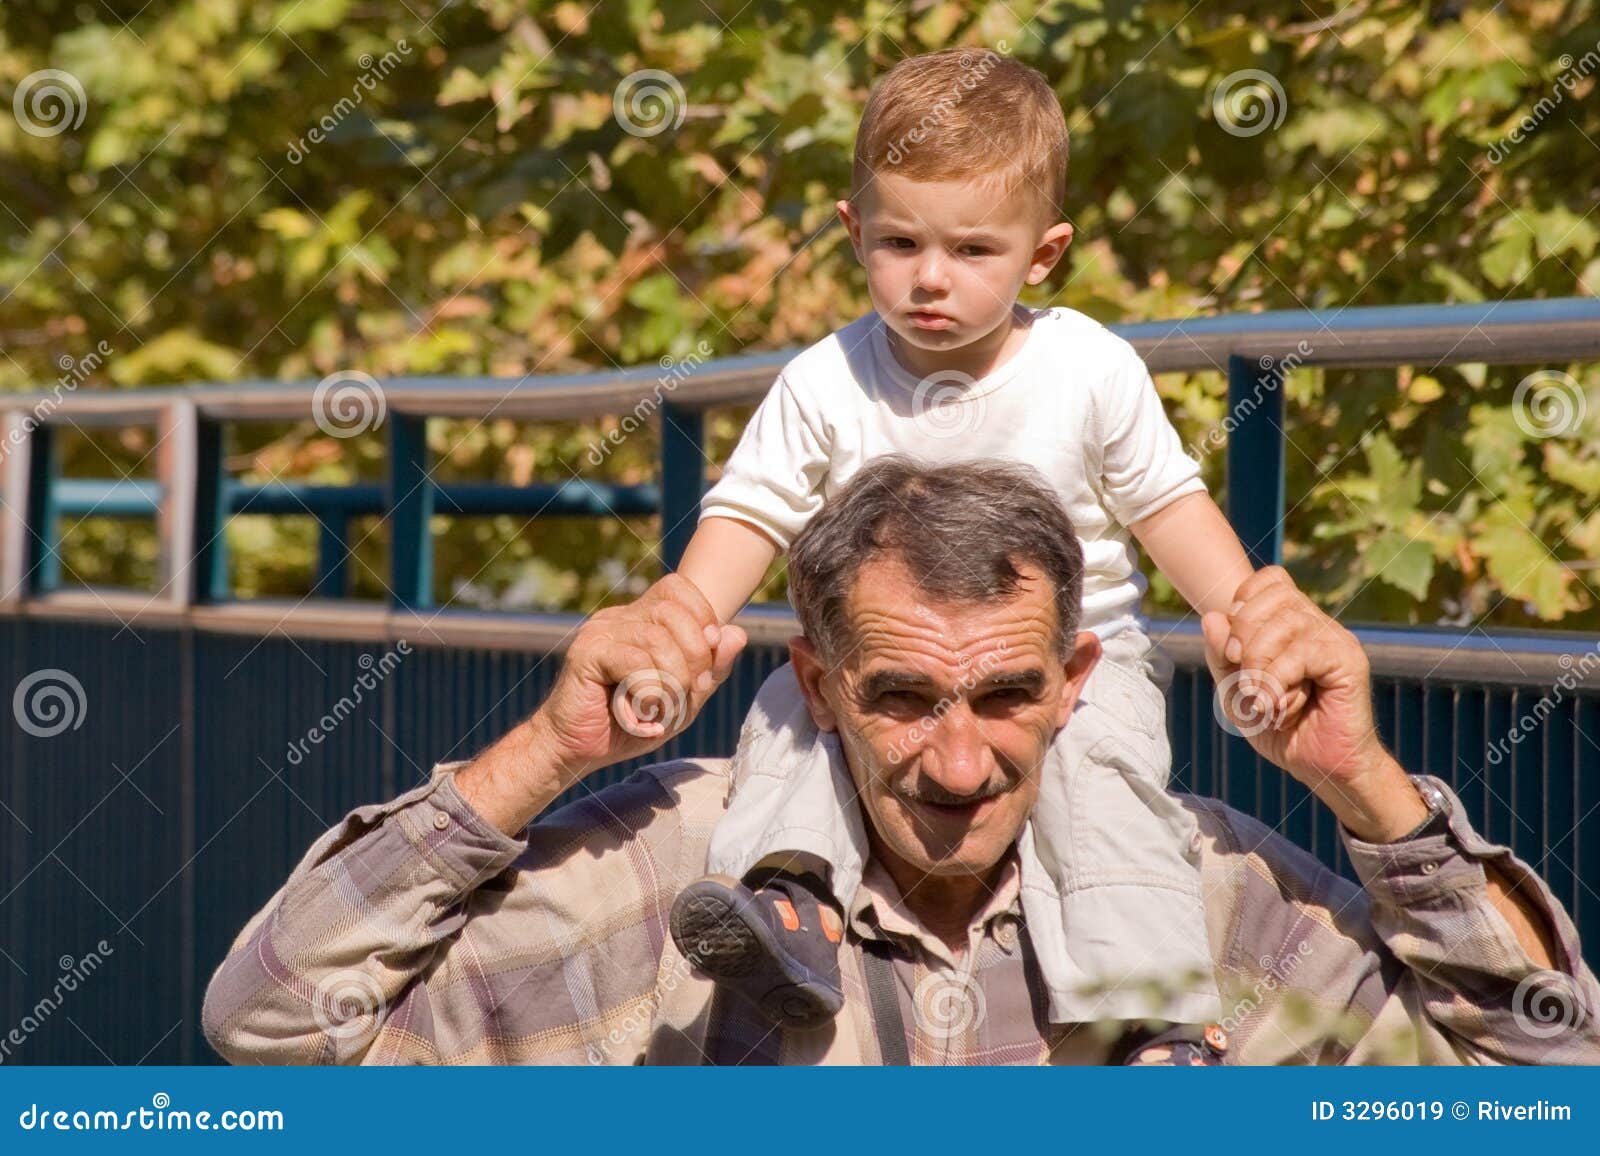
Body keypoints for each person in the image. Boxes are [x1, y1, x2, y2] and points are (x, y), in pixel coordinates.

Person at [202, 459, 1600, 1065]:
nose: (957, 760)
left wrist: (1367, 789)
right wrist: (552, 752)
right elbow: (272, 1030)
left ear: (1074, 684)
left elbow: (1555, 1085)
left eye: (1004, 695)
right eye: (901, 698)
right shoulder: (676, 871)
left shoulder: (1195, 887)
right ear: (814, 683)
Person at [659, 46, 1255, 1028]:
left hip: (1066, 666)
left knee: (1103, 791)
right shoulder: (825, 380)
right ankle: (786, 907)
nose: (930, 280)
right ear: (854, 232)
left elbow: (1168, 508)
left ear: (1042, 254)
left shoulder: (1086, 370)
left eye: (973, 252)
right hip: (878, 667)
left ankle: (1155, 1019)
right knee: (783, 725)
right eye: (899, 244)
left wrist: (1242, 611)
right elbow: (748, 510)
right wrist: (681, 612)